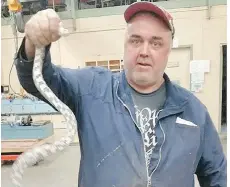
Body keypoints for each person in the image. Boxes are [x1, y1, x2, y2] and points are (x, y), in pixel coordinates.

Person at [15, 1, 227, 187]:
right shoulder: (92, 89)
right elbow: (38, 80)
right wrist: (33, 42)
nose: (144, 51)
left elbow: (216, 174)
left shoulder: (193, 111)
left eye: (155, 43)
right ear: (125, 44)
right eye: (136, 40)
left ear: (168, 50)